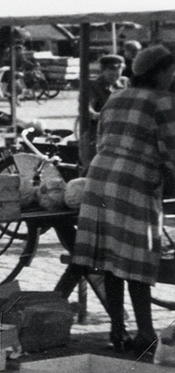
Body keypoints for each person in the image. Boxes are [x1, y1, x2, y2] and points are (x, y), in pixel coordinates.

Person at [70, 44, 175, 358]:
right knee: (136, 258)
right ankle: (145, 332)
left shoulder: (116, 96)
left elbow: (103, 138)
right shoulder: (164, 102)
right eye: (170, 71)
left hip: (99, 179)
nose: (172, 77)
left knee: (109, 257)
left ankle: (118, 328)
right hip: (133, 182)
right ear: (158, 73)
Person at [81, 54, 127, 166]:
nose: (115, 73)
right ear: (103, 70)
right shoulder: (93, 85)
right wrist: (96, 115)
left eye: (118, 69)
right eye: (110, 69)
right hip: (98, 130)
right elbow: (88, 106)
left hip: (121, 130)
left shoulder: (125, 83)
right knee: (93, 164)